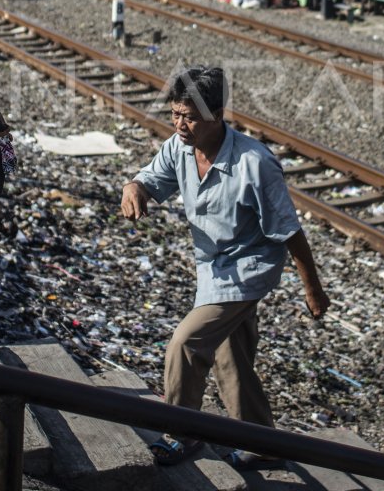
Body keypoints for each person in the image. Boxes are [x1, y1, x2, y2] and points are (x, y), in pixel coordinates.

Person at [119, 66, 330, 469]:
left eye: (191, 117)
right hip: (212, 267)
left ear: (218, 115)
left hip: (248, 270)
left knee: (186, 344)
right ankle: (262, 441)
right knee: (231, 358)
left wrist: (313, 290)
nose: (181, 124)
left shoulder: (256, 163)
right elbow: (148, 179)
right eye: (176, 114)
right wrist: (134, 188)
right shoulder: (179, 146)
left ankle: (181, 433)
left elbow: (289, 231)